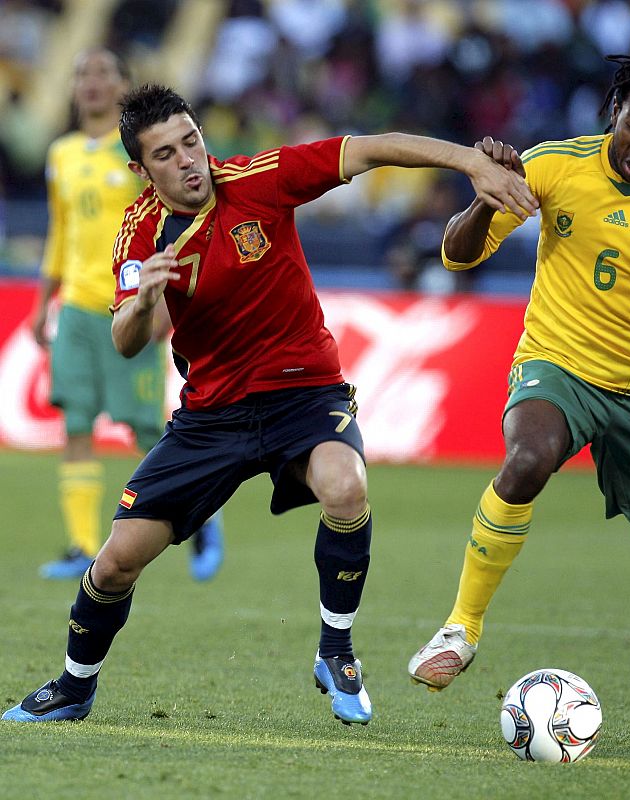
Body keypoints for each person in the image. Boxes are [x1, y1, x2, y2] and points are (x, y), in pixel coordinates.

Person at [2, 83, 535, 726]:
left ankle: (335, 651)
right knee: (114, 563)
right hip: (212, 415)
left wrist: (471, 163)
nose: (189, 160)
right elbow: (124, 340)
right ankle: (74, 684)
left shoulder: (262, 178)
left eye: (192, 140)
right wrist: (144, 300)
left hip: (303, 394)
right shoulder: (139, 231)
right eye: (166, 154)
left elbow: (370, 149)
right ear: (141, 170)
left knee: (346, 486)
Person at [408, 38, 630, 751]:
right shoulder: (551, 165)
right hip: (555, 366)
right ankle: (461, 627)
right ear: (613, 110)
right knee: (527, 460)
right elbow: (457, 254)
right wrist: (484, 200)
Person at [31, 48, 224, 583]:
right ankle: (80, 545)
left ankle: (204, 516)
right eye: (82, 74)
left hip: (129, 306)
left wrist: (159, 301)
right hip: (74, 307)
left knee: (144, 428)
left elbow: (166, 223)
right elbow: (60, 231)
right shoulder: (62, 154)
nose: (91, 83)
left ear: (122, 86)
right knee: (74, 421)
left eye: (103, 74)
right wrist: (41, 302)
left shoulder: (140, 156)